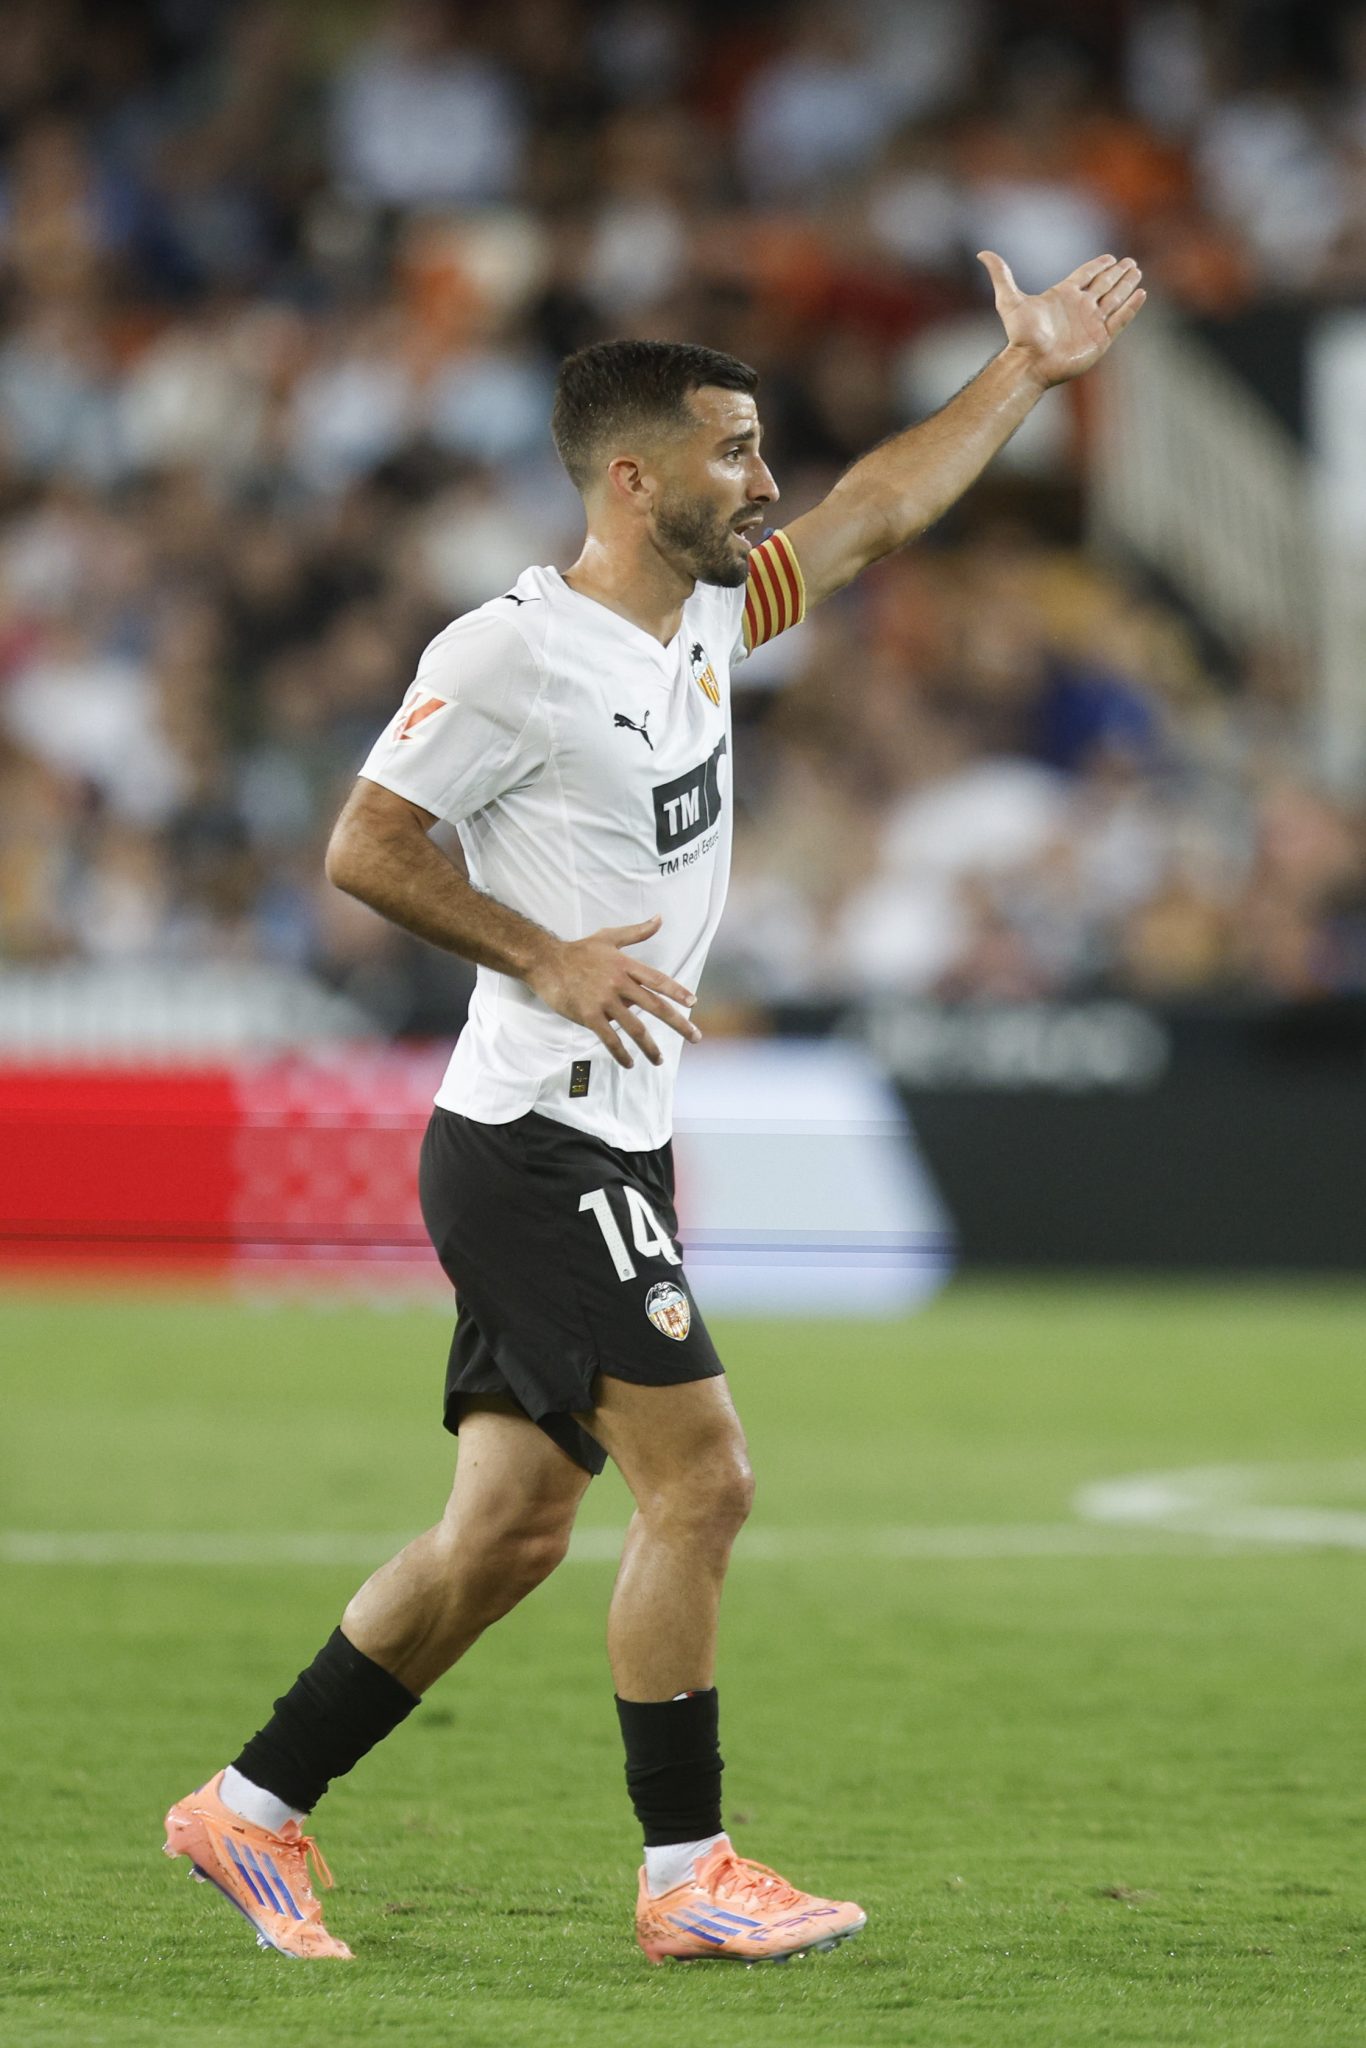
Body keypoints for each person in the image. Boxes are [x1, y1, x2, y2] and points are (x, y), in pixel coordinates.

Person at [163, 249, 1145, 1964]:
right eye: (732, 452)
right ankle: (687, 1872)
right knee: (704, 1483)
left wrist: (1026, 375)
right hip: (533, 1140)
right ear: (632, 476)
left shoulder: (698, 613)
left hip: (601, 1135)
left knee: (507, 1534)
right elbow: (365, 845)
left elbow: (876, 512)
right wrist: (544, 953)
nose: (763, 482)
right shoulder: (509, 653)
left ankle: (246, 1810)